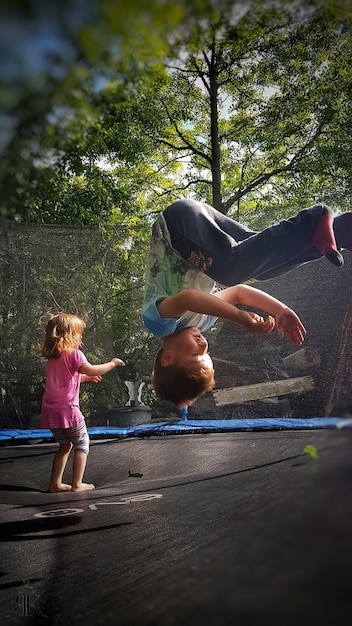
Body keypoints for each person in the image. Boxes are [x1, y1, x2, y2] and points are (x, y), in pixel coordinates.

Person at [142, 198, 352, 413]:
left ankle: (312, 220)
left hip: (177, 226)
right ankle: (339, 231)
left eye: (196, 356)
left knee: (231, 270)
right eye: (207, 356)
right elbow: (240, 293)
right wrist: (280, 310)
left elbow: (188, 297)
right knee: (264, 267)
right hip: (200, 226)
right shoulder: (203, 321)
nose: (204, 347)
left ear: (167, 357)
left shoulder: (159, 323)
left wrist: (238, 316)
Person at [40, 313, 125, 492]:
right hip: (68, 410)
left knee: (65, 445)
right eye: (79, 334)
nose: (81, 338)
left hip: (50, 411)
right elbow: (93, 368)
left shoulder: (53, 358)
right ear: (70, 335)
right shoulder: (74, 354)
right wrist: (112, 363)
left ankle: (54, 484)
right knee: (82, 443)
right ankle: (77, 484)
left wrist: (85, 378)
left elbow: (64, 381)